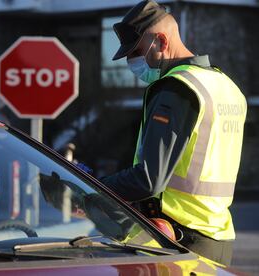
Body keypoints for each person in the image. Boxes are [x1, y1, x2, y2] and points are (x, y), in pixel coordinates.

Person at [100, 0, 247, 265]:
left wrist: (93, 189)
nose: (132, 62)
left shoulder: (176, 88)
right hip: (218, 238)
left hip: (179, 240)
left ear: (162, 42)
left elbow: (147, 179)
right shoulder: (225, 85)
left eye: (138, 51)